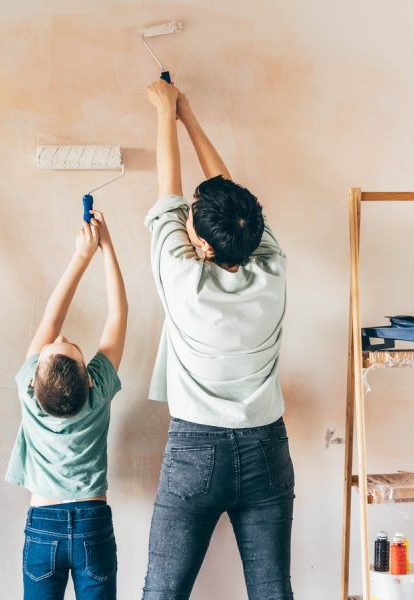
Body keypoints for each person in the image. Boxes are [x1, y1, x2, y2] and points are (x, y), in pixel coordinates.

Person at [142, 79, 295, 600]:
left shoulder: (183, 278)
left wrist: (166, 114)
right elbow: (232, 200)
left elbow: (167, 196)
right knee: (273, 593)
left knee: (162, 593)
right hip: (267, 450)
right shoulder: (271, 266)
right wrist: (185, 115)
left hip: (194, 451)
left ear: (202, 245)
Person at [5, 211, 127, 600]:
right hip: (92, 523)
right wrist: (106, 246)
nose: (59, 333)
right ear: (89, 376)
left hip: (43, 524)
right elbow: (118, 315)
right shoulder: (98, 392)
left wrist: (81, 256)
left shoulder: (28, 388)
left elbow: (49, 317)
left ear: (35, 375)